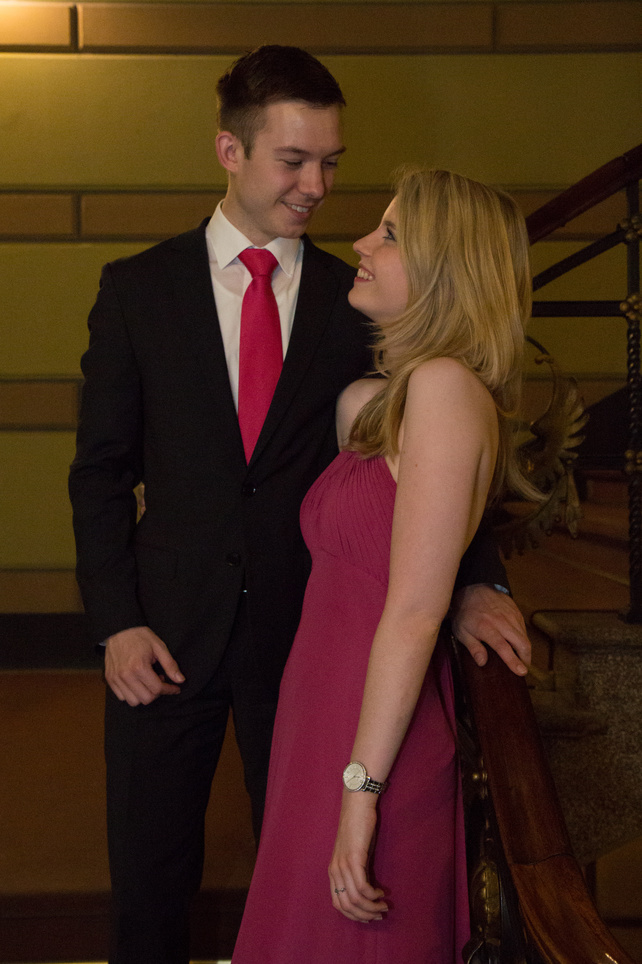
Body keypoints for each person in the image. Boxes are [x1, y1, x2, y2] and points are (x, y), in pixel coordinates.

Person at [68, 47, 530, 964]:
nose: (317, 186)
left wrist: (476, 579)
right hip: (163, 637)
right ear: (230, 151)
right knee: (149, 887)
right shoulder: (137, 290)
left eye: (330, 162)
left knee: (304, 881)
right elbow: (100, 472)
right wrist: (116, 621)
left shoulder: (358, 303)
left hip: (306, 645)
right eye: (293, 161)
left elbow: (424, 457)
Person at [231, 168, 536, 964]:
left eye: (392, 234)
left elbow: (413, 612)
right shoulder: (372, 404)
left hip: (374, 745)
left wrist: (362, 790)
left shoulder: (445, 389)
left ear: (444, 269)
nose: (362, 241)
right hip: (317, 719)